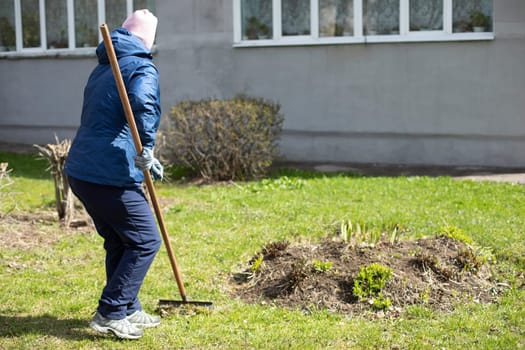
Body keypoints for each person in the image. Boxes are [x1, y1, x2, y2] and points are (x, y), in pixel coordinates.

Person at [65, 9, 163, 340]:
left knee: (121, 239)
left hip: (82, 170)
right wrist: (146, 148)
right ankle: (110, 311)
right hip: (108, 173)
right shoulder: (141, 66)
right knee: (146, 239)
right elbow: (143, 103)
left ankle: (128, 307)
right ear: (148, 39)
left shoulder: (103, 68)